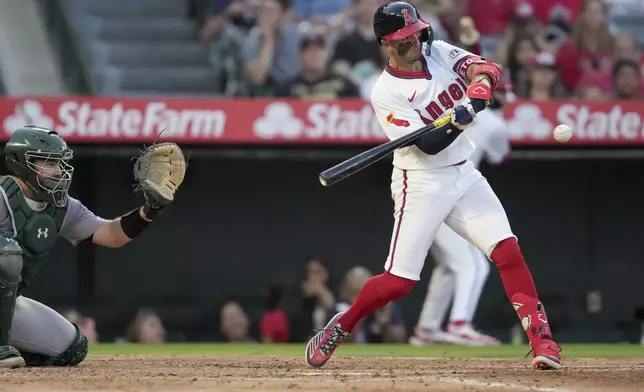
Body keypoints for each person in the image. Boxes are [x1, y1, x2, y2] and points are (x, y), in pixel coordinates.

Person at [305, 1, 561, 371]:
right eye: (405, 39)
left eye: (416, 34)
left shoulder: (437, 51)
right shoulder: (386, 92)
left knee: (507, 251)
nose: (415, 42)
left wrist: (478, 90)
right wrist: (460, 117)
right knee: (398, 283)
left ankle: (543, 341)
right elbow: (428, 144)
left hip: (463, 172)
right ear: (387, 44)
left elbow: (483, 68)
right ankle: (342, 324)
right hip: (421, 182)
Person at [0, 125, 184, 368]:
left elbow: (112, 235)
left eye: (60, 164)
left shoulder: (63, 207)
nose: (58, 172)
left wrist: (151, 209)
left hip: (8, 305)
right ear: (22, 163)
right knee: (7, 252)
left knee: (73, 348)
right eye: (48, 163)